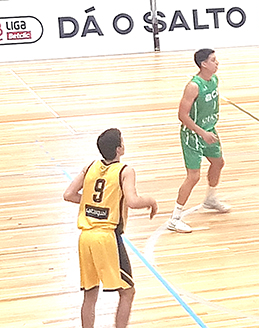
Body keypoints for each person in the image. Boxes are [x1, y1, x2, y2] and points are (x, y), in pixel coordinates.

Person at [63, 128, 158, 328]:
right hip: (107, 238)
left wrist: (91, 204)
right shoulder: (125, 171)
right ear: (118, 149)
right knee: (127, 292)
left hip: (85, 238)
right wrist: (150, 201)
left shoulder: (90, 167)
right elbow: (132, 201)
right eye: (122, 141)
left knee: (90, 294)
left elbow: (69, 194)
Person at [168, 49, 230, 233]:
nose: (217, 63)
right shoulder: (193, 86)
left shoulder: (214, 80)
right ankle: (175, 218)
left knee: (218, 163)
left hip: (209, 130)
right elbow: (182, 115)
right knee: (193, 176)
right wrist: (202, 132)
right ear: (203, 64)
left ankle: (210, 199)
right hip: (193, 135)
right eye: (213, 60)